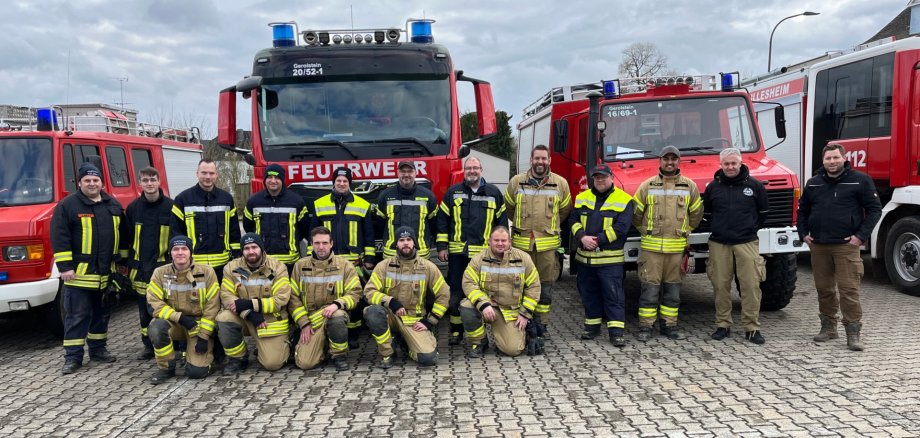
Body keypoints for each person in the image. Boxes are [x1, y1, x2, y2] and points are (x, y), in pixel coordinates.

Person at [798, 143, 882, 351]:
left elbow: (874, 210)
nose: (832, 161)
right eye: (828, 158)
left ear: (844, 158)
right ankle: (828, 328)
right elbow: (803, 210)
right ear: (823, 160)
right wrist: (803, 233)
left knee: (848, 290)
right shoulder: (813, 183)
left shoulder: (860, 180)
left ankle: (853, 333)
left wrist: (860, 237)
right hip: (819, 245)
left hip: (846, 246)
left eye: (836, 157)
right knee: (824, 289)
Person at [51, 162, 126, 374]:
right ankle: (73, 357)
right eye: (87, 180)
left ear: (101, 182)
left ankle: (98, 350)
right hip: (79, 275)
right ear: (79, 183)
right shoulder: (68, 206)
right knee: (77, 316)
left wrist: (122, 263)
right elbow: (60, 237)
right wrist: (65, 267)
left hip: (106, 274)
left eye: (95, 180)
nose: (92, 184)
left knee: (102, 314)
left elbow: (123, 235)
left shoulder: (112, 204)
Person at [631, 145, 703, 342]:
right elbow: (636, 214)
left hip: (676, 251)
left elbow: (696, 214)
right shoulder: (647, 186)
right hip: (651, 251)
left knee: (673, 292)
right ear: (660, 161)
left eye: (673, 159)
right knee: (649, 291)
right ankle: (646, 327)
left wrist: (686, 231)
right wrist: (645, 231)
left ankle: (669, 326)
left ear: (678, 161)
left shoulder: (689, 186)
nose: (670, 162)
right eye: (666, 159)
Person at [436, 156, 507, 347]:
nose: (472, 171)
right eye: (468, 168)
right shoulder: (453, 192)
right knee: (456, 293)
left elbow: (501, 223)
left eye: (475, 167)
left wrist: (501, 248)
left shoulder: (493, 192)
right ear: (464, 170)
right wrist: (442, 246)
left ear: (481, 169)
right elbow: (442, 220)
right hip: (458, 254)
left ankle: (482, 330)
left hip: (484, 256)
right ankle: (456, 330)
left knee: (483, 292)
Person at [504, 145, 571, 339]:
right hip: (521, 246)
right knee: (519, 286)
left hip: (547, 248)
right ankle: (522, 324)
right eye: (537, 158)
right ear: (531, 160)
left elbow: (564, 211)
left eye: (543, 158)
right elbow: (509, 208)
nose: (540, 162)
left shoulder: (561, 183)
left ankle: (542, 325)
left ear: (549, 160)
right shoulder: (516, 182)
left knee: (545, 287)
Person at [703, 148, 769, 344]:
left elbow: (763, 213)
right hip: (719, 244)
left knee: (751, 286)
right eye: (726, 163)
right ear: (721, 164)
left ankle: (752, 328)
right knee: (720, 286)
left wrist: (748, 229)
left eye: (734, 163)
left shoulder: (755, 186)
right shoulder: (713, 187)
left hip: (746, 243)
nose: (730, 167)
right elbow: (708, 214)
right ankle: (723, 325)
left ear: (740, 163)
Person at [363, 226, 449, 369]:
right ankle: (388, 353)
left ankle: (405, 344)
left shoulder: (428, 267)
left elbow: (444, 294)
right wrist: (390, 302)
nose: (405, 243)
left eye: (409, 239)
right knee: (373, 312)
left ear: (414, 243)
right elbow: (369, 291)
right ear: (396, 244)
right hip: (390, 315)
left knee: (428, 358)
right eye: (401, 240)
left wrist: (430, 321)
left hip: (414, 320)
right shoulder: (384, 266)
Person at [569, 164, 634, 347]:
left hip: (610, 261)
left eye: (603, 177)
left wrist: (597, 240)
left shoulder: (625, 200)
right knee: (589, 295)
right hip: (585, 260)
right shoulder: (581, 198)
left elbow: (621, 228)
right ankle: (592, 328)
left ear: (611, 177)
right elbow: (573, 220)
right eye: (596, 177)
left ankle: (616, 334)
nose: (600, 180)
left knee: (613, 296)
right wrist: (582, 237)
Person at [311, 166, 375, 348]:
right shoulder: (319, 204)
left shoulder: (362, 204)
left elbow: (369, 234)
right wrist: (312, 257)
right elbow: (313, 233)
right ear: (333, 183)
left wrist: (369, 259)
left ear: (350, 183)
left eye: (345, 181)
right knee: (329, 294)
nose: (341, 183)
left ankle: (352, 334)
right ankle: (334, 331)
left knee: (355, 297)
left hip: (353, 262)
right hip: (327, 261)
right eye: (338, 181)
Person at [145, 235, 220, 384]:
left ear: (191, 252)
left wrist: (204, 336)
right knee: (156, 327)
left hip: (198, 326)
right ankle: (166, 368)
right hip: (175, 323)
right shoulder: (160, 273)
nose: (180, 252)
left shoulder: (207, 272)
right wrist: (180, 318)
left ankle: (215, 356)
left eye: (184, 249)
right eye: (176, 249)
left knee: (196, 372)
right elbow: (154, 303)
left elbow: (213, 306)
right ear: (170, 253)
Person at [288, 227, 364, 371]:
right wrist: (304, 323)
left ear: (331, 243)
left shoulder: (345, 266)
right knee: (305, 363)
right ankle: (321, 346)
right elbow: (293, 297)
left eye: (324, 243)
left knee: (337, 316)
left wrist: (337, 304)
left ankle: (339, 355)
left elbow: (355, 293)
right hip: (311, 321)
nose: (321, 247)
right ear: (311, 244)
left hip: (332, 315)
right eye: (317, 243)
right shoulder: (300, 266)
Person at [459, 226, 540, 357]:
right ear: (489, 241)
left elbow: (534, 287)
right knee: (466, 306)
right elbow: (468, 283)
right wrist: (483, 304)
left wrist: (525, 314)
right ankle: (479, 341)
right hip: (487, 306)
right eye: (496, 240)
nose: (500, 244)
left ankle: (520, 333)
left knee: (512, 350)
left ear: (510, 242)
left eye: (503, 240)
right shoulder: (478, 259)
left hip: (511, 311)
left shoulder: (523, 259)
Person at [217, 233, 292, 373]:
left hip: (269, 320)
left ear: (262, 249)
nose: (251, 251)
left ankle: (282, 344)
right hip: (245, 317)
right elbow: (226, 296)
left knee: (272, 364)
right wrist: (249, 313)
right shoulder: (231, 267)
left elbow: (281, 300)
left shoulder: (278, 267)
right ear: (242, 250)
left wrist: (249, 305)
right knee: (224, 318)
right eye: (246, 248)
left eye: (254, 247)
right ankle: (238, 358)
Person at [123, 166, 174, 360]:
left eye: (153, 179)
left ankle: (173, 342)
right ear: (140, 183)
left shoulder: (171, 207)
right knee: (144, 312)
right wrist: (125, 263)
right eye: (145, 180)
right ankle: (148, 346)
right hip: (140, 270)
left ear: (159, 181)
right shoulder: (133, 209)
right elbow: (127, 239)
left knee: (169, 306)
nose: (150, 183)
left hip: (165, 268)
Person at [171, 159, 241, 282]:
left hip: (223, 266)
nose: (208, 177)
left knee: (222, 294)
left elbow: (234, 232)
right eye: (204, 173)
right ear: (197, 174)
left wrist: (236, 258)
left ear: (216, 175)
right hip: (193, 266)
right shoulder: (182, 199)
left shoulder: (227, 199)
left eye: (211, 173)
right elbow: (176, 233)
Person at [243, 163, 310, 274]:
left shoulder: (296, 201)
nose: (273, 181)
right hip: (263, 262)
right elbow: (248, 228)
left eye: (277, 178)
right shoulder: (253, 201)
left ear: (282, 180)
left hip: (290, 263)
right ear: (265, 180)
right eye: (269, 177)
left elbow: (304, 228)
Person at [376, 161, 439, 259]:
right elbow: (380, 224)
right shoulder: (385, 195)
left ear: (415, 173)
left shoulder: (428, 196)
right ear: (398, 173)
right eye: (403, 171)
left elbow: (434, 224)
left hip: (420, 255)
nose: (406, 174)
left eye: (410, 171)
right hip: (392, 255)